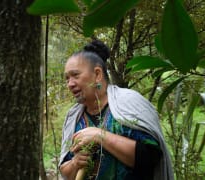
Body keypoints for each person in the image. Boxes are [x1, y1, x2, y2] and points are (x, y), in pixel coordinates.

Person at [59, 40, 173, 180]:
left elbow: (151, 157)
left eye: (75, 75)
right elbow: (64, 169)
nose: (70, 84)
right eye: (67, 78)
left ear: (97, 74)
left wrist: (100, 136)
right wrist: (75, 163)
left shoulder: (129, 102)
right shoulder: (74, 117)